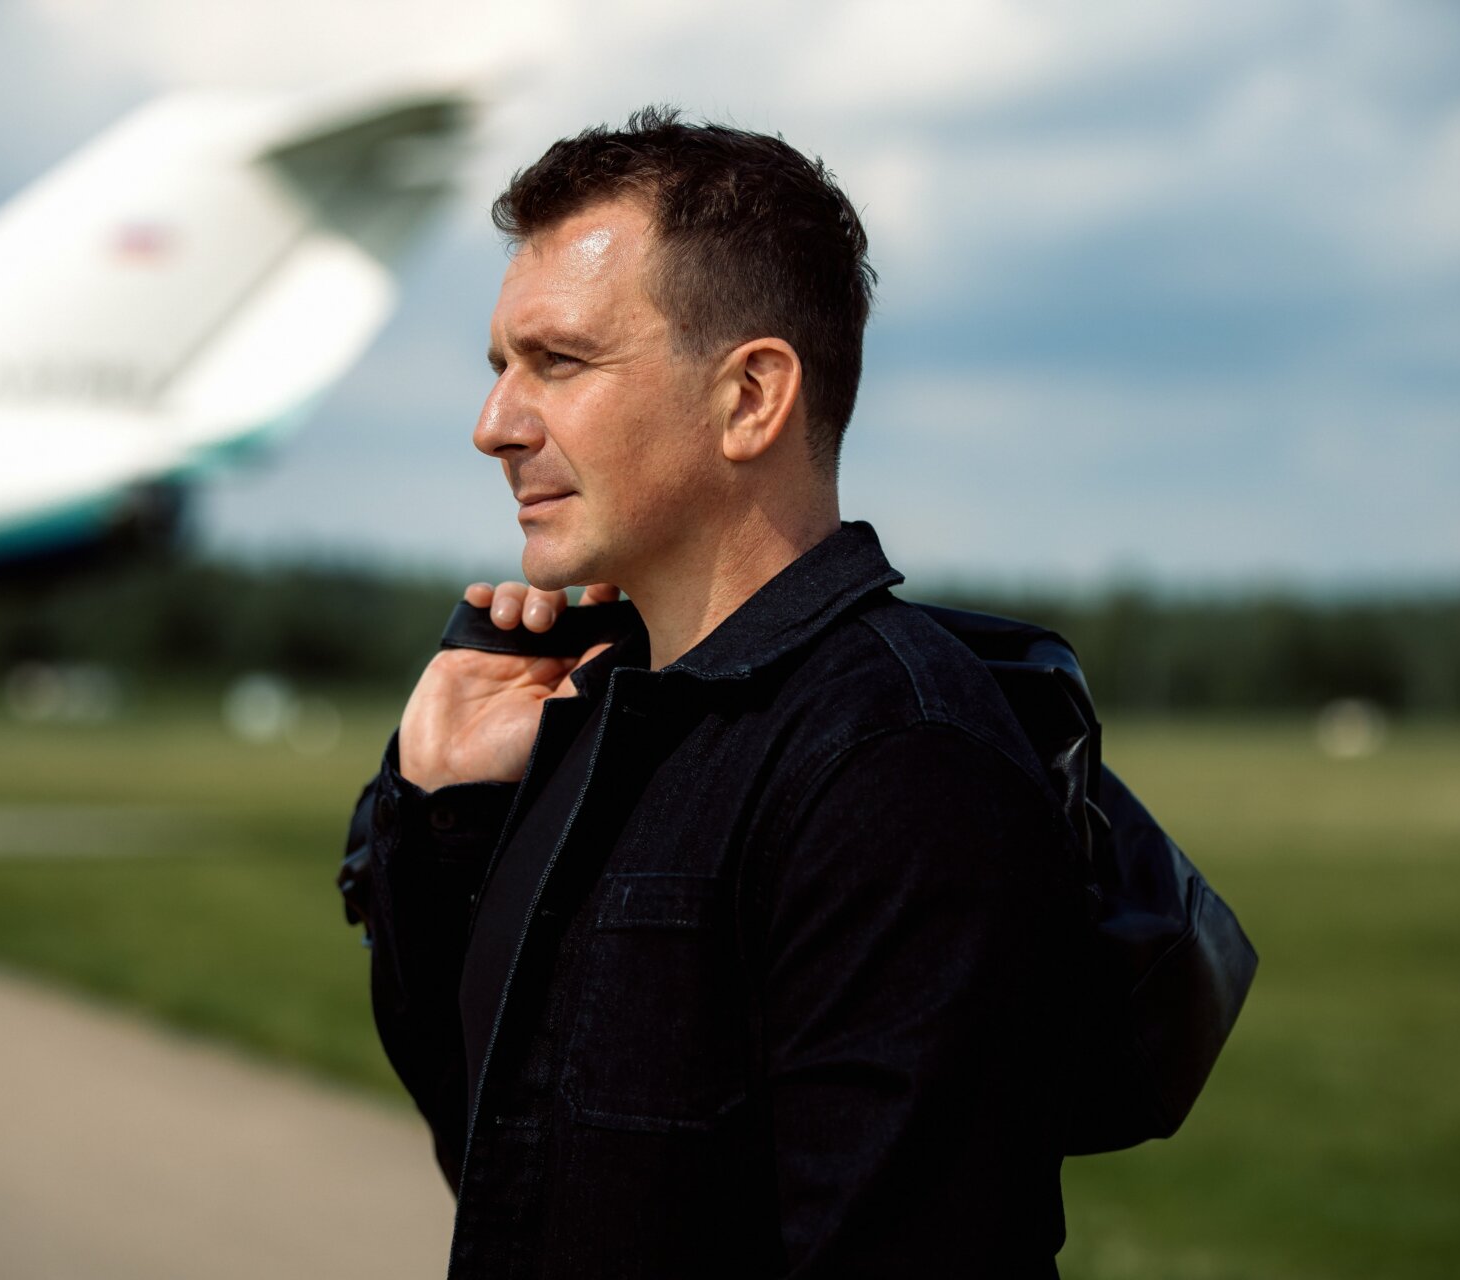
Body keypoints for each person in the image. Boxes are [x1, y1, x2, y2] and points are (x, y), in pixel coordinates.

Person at [340, 107, 1088, 1277]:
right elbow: (505, 1163)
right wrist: (448, 814)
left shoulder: (899, 761)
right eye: (499, 369)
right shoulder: (602, 723)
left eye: (558, 361)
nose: (494, 426)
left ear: (750, 397)